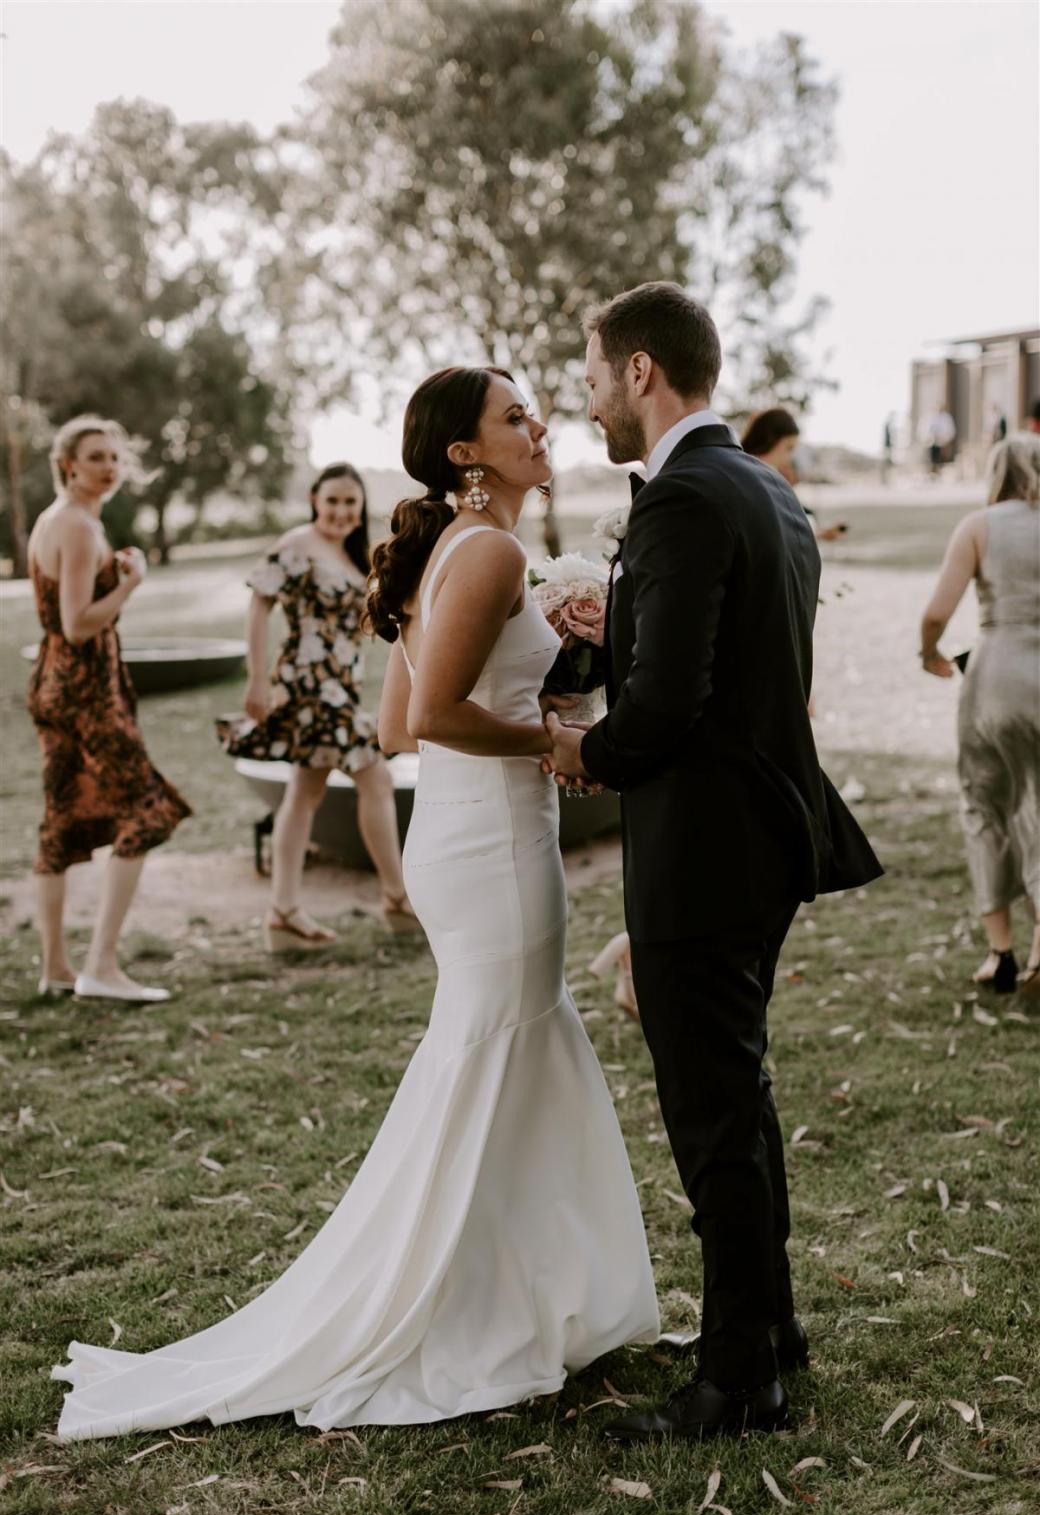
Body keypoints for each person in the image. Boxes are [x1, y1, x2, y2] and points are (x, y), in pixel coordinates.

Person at [51, 366, 659, 1442]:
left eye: (531, 411)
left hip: (474, 838)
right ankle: (463, 1303)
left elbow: (390, 726)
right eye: (513, 417)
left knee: (507, 1047)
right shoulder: (486, 550)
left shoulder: (456, 551)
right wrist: (555, 741)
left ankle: (521, 1287)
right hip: (489, 847)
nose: (538, 426)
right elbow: (428, 716)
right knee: (498, 1046)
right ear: (464, 453)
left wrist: (550, 685)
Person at [546, 281, 883, 1442]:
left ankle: (739, 1382)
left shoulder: (683, 497)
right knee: (736, 1098)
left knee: (709, 1113)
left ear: (640, 372)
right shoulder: (761, 490)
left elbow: (667, 713)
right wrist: (623, 622)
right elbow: (736, 656)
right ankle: (766, 1325)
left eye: (592, 373)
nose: (586, 397)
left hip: (703, 853)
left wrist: (574, 750)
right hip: (763, 838)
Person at [26, 415, 191, 1004]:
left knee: (62, 819)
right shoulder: (73, 525)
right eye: (96, 456)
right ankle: (100, 966)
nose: (109, 467)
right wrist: (130, 585)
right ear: (68, 464)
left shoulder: (65, 520)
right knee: (146, 811)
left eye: (115, 457)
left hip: (57, 686)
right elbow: (75, 625)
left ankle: (55, 970)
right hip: (85, 692)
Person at [217, 464, 415, 948]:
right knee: (375, 775)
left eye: (351, 502)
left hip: (339, 687)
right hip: (309, 686)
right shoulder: (296, 544)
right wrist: (258, 679)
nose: (341, 511)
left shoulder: (349, 552)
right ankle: (396, 898)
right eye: (332, 501)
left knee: (304, 795)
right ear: (314, 499)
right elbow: (258, 604)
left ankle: (283, 914)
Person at [919, 433, 1040, 1002]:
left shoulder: (979, 525)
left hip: (996, 678)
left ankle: (1001, 953)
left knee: (985, 802)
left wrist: (930, 655)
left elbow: (937, 613)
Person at [742, 408, 845, 541]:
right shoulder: (752, 477)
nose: (790, 457)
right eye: (788, 448)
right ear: (769, 440)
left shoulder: (766, 474)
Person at [925, 404, 956, 478]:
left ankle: (940, 472)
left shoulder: (946, 418)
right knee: (933, 458)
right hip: (933, 442)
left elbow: (950, 431)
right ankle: (933, 471)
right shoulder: (930, 417)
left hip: (943, 442)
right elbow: (926, 429)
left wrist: (945, 438)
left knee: (942, 459)